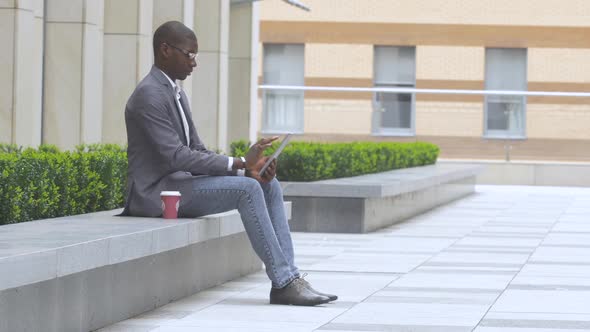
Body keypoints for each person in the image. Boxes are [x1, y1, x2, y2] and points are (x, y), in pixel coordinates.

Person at [121, 21, 337, 306]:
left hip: (179, 183)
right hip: (156, 193)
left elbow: (195, 149)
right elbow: (175, 156)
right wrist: (238, 162)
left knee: (266, 185)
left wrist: (248, 168)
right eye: (190, 54)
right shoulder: (149, 94)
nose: (194, 63)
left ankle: (290, 278)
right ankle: (283, 282)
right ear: (165, 50)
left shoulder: (175, 92)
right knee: (246, 190)